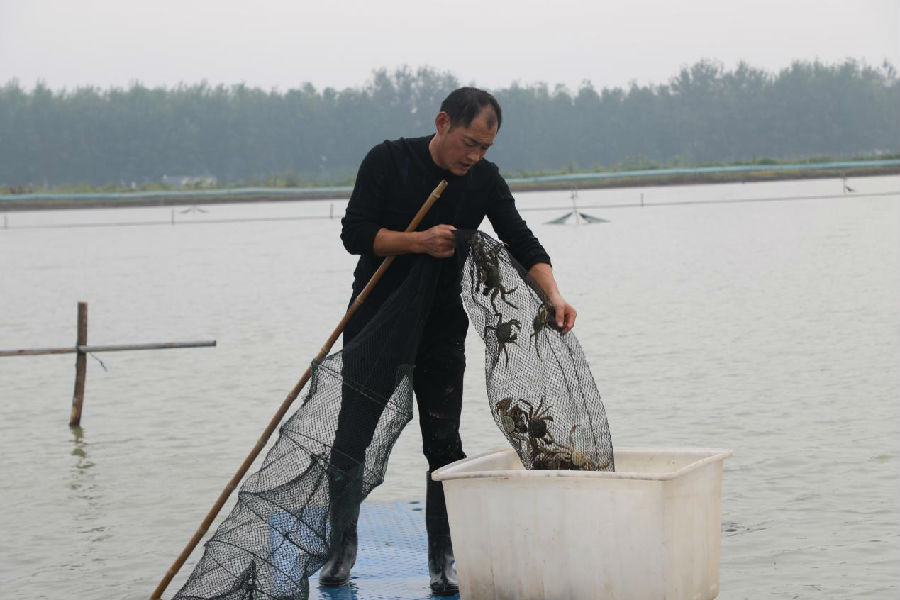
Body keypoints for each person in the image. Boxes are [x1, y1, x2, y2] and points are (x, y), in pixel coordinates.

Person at [321, 87, 577, 595]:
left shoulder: (483, 180)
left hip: (441, 329)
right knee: (352, 440)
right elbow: (355, 233)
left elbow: (521, 240)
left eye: (485, 147)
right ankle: (340, 552)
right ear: (442, 123)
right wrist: (416, 241)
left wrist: (553, 294)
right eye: (468, 143)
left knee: (444, 445)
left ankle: (443, 560)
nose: (474, 156)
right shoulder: (388, 159)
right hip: (375, 322)